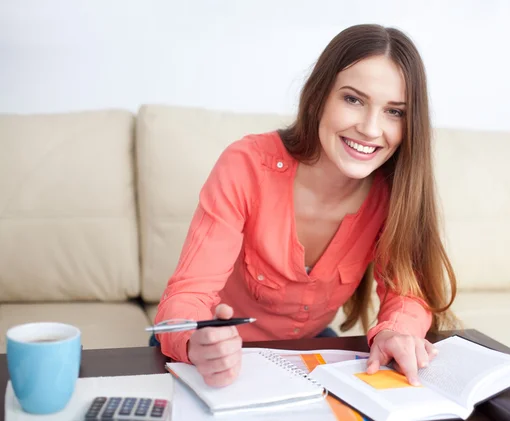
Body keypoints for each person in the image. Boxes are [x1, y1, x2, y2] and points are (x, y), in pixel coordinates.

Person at [154, 23, 457, 389]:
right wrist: (196, 341)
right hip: (210, 355)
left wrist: (397, 332)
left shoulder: (394, 190)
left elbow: (406, 290)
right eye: (353, 99)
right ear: (319, 97)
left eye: (394, 112)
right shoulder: (246, 165)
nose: (371, 129)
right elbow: (189, 293)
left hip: (305, 351)